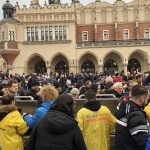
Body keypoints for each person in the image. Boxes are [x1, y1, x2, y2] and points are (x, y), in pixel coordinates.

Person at [115, 85, 149, 150]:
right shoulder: (136, 116)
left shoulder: (124, 108)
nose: (147, 101)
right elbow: (144, 143)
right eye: (147, 98)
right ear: (141, 99)